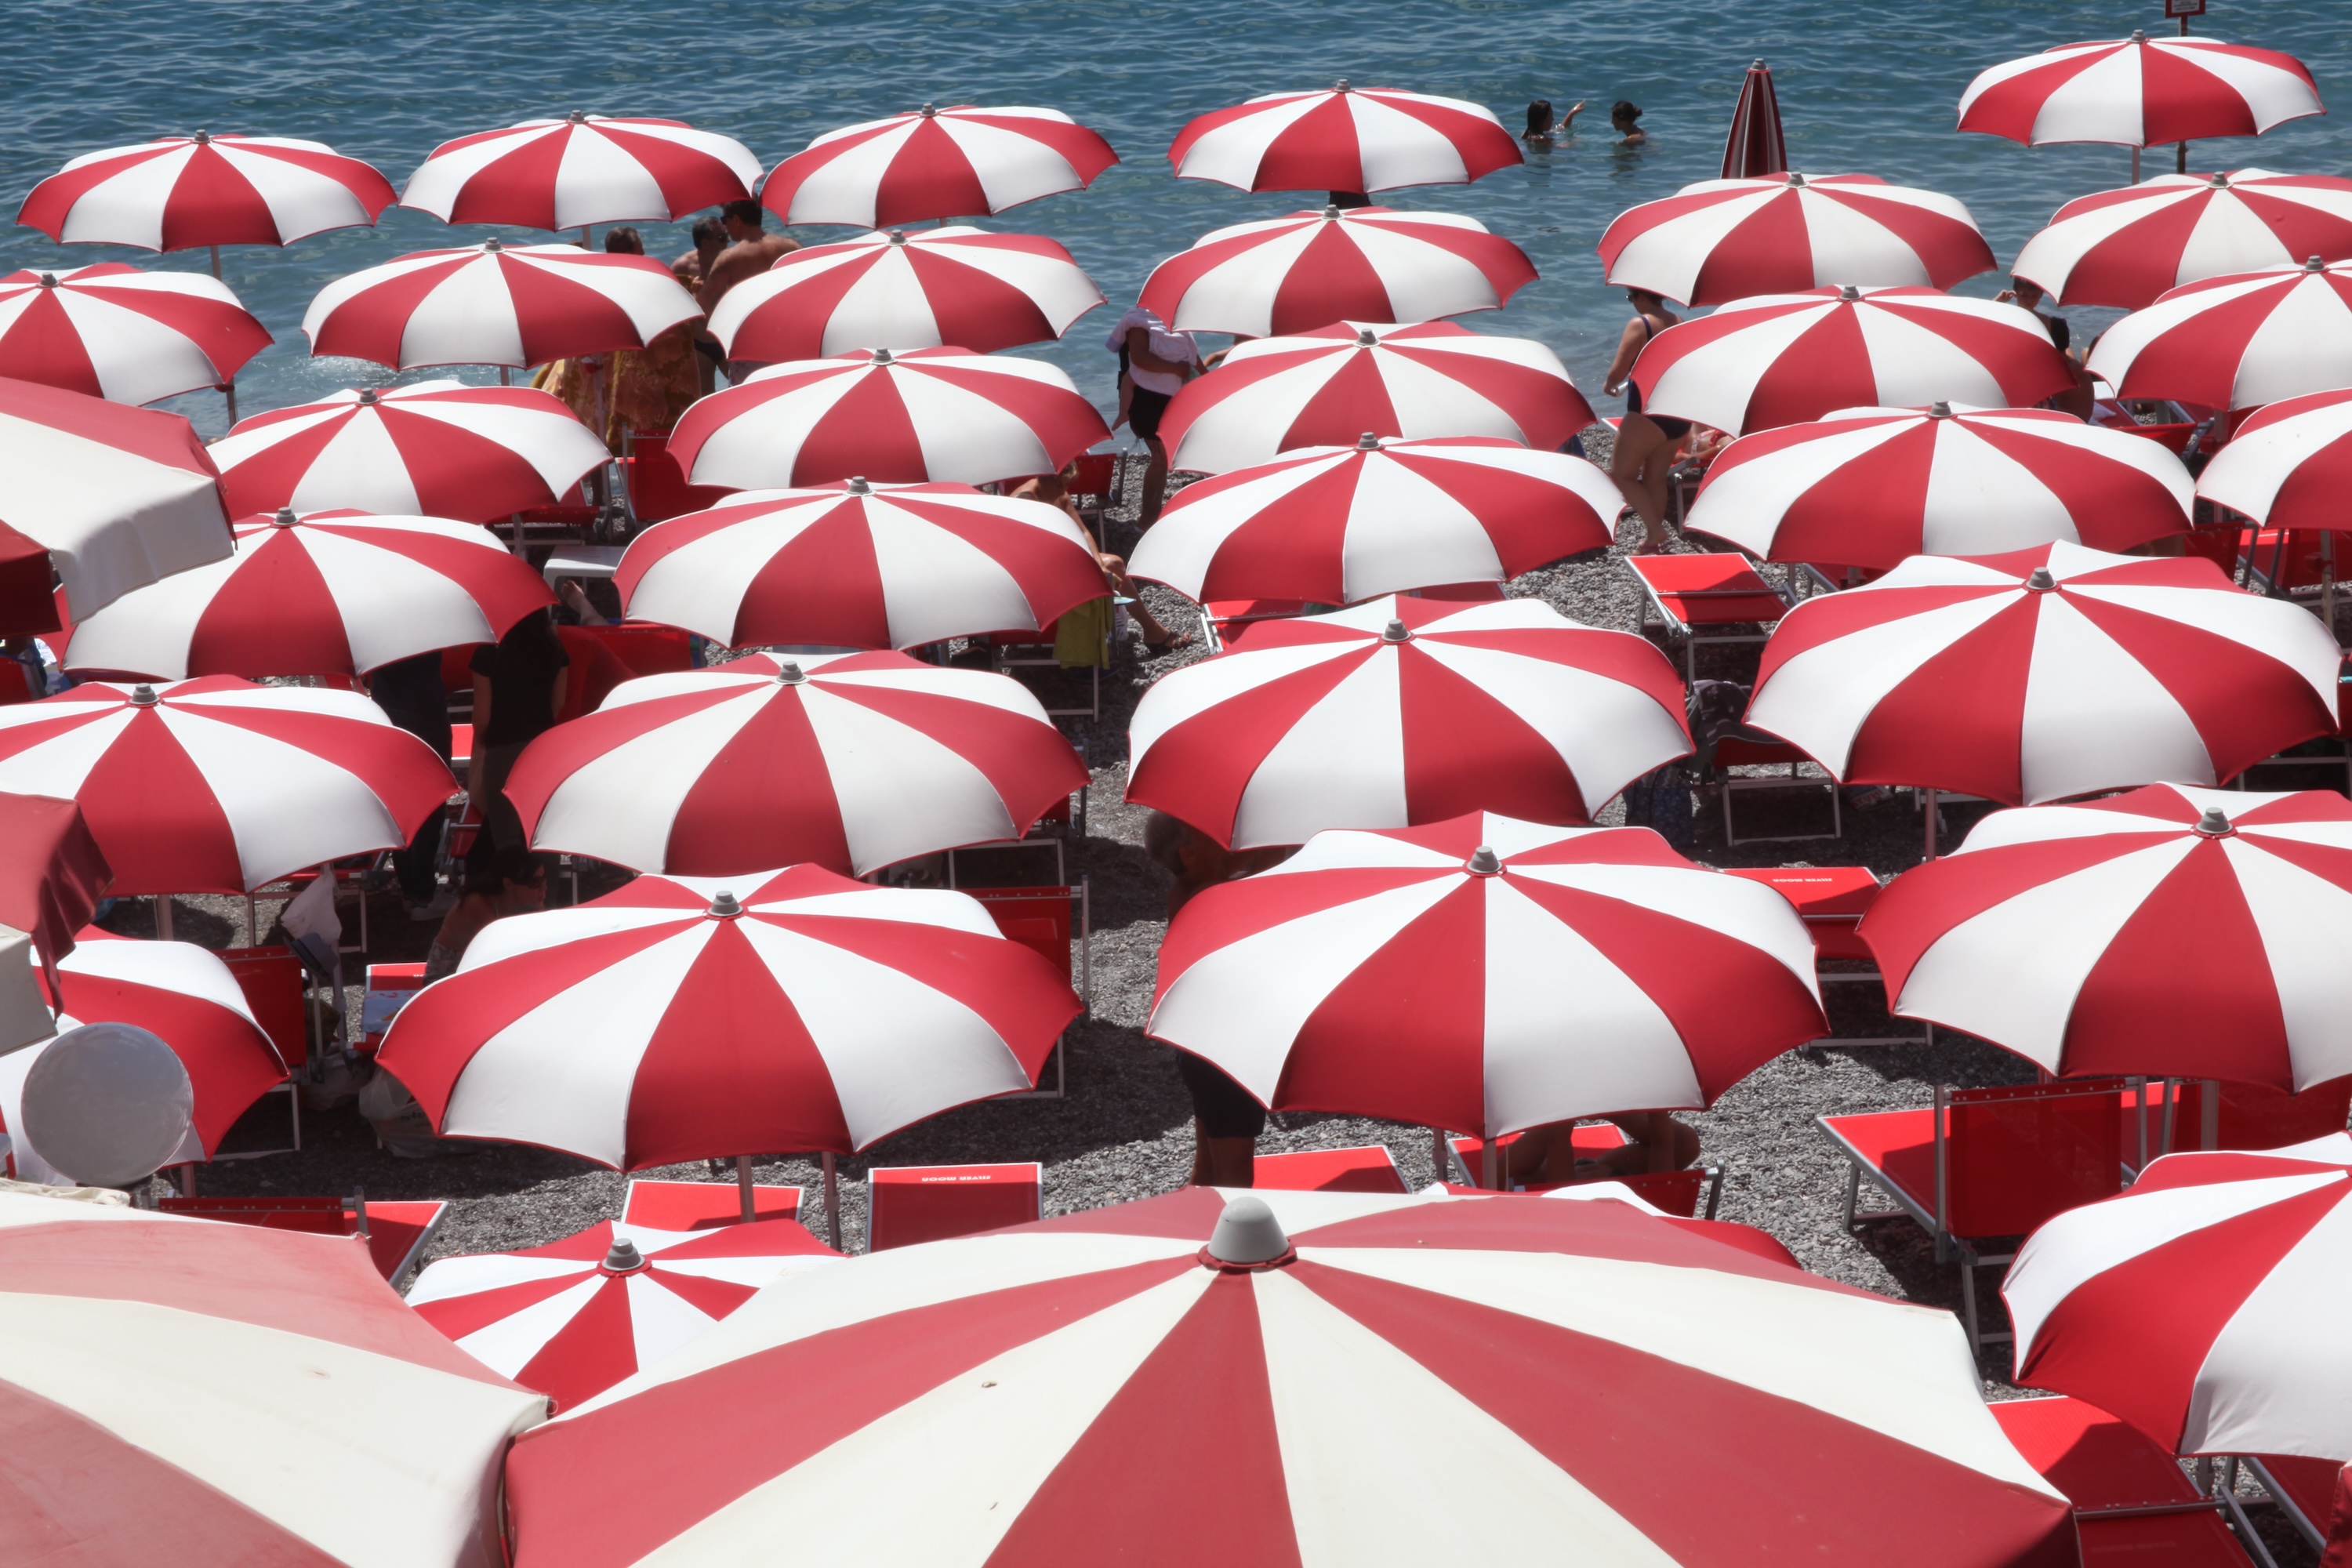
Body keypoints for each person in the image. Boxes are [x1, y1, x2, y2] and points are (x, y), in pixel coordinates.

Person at [1144, 811, 1294, 1187]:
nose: (1224, 834)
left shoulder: (1191, 888)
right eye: (1210, 831)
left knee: (1209, 1165)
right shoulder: (1210, 896)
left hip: (1202, 1043)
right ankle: (1231, 1241)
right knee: (1235, 1173)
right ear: (1191, 854)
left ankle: (1195, 1220)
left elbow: (1253, 862)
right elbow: (1270, 862)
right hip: (1226, 1049)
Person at [1011, 465, 1192, 654]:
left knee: (1113, 565)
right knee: (1114, 566)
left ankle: (1152, 630)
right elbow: (1024, 552)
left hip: (1058, 559)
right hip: (1034, 571)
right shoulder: (1024, 502)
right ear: (1043, 478)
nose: (1063, 490)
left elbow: (1083, 532)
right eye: (1059, 485)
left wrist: (1097, 562)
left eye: (1066, 484)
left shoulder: (1058, 494)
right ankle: (1153, 631)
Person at [466, 608, 568, 869]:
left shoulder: (488, 654)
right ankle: (547, 900)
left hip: (502, 751)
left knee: (505, 840)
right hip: (543, 752)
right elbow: (557, 705)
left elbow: (482, 719)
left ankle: (512, 907)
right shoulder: (554, 651)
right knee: (542, 835)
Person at [365, 651, 456, 919]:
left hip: (387, 713)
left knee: (399, 802)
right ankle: (423, 894)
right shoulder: (427, 618)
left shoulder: (371, 618)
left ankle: (411, 889)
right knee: (429, 802)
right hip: (424, 712)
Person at [1601, 288, 1687, 552]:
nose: (1632, 304)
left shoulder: (1641, 324)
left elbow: (1618, 371)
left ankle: (1656, 531)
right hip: (1677, 411)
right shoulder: (1678, 321)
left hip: (1648, 411)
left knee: (1620, 475)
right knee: (1655, 478)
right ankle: (1652, 540)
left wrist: (1609, 386)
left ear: (1640, 297)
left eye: (1630, 298)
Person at [1105, 302, 1200, 531]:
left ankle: (1154, 515)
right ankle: (1147, 520)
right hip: (1146, 401)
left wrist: (1210, 382)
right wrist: (1178, 370)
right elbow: (1139, 358)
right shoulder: (1140, 323)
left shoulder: (1174, 323)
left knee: (1163, 460)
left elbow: (1192, 359)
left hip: (1166, 397)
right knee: (1159, 459)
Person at [698, 198, 796, 384]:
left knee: (751, 403)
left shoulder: (730, 258)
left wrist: (724, 336)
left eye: (724, 220)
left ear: (736, 220)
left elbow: (703, 303)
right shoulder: (791, 248)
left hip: (749, 344)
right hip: (789, 340)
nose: (725, 228)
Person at [424, 844, 546, 981]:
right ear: (509, 884)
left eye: (544, 879)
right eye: (536, 882)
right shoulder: (478, 904)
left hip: (476, 968)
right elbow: (497, 954)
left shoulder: (530, 903)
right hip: (446, 974)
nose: (544, 887)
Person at [1504, 1112, 1702, 1186]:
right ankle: (1603, 1105)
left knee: (1500, 1181)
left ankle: (1587, 1102)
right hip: (1620, 1194)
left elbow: (1559, 1140)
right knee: (1686, 1144)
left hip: (1575, 1196)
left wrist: (1570, 1107)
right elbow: (1663, 1144)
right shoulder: (1656, 1199)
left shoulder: (1564, 1197)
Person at [675, 216, 731, 394]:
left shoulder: (733, 262)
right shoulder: (682, 268)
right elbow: (672, 311)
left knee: (745, 392)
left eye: (727, 236)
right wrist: (692, 294)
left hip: (726, 340)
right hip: (699, 344)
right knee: (704, 401)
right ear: (705, 243)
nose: (728, 242)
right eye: (722, 238)